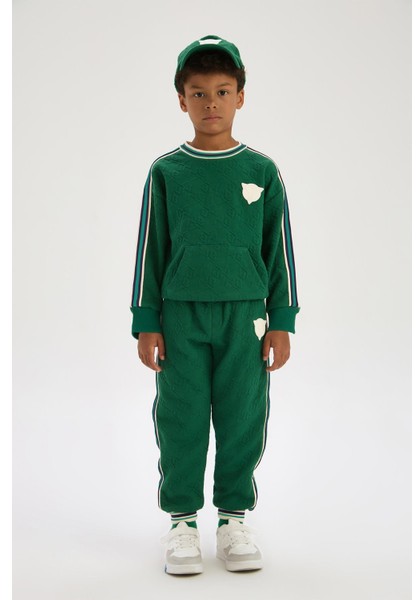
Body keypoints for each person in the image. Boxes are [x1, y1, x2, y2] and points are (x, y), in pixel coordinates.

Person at [130, 34, 300, 575]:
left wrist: (283, 319)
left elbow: (279, 251)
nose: (211, 103)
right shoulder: (166, 171)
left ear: (240, 97)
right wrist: (146, 320)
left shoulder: (263, 170)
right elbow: (150, 249)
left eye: (222, 92)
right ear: (182, 100)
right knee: (180, 417)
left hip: (247, 318)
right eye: (199, 93)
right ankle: (182, 523)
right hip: (181, 316)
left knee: (242, 416)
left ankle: (232, 519)